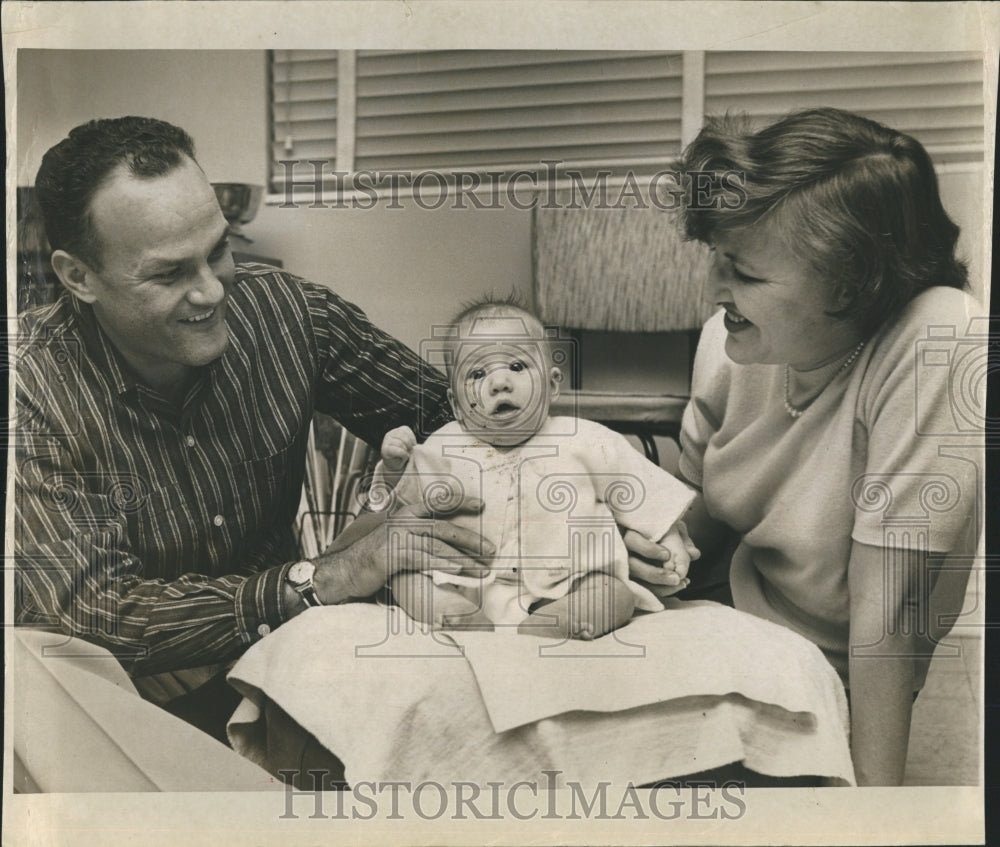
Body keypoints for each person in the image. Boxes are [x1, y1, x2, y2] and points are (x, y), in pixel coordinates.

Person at [14, 116, 494, 697]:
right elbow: (96, 617)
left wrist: (609, 527)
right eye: (169, 274)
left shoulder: (291, 316)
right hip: (122, 702)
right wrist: (325, 578)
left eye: (218, 252)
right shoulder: (26, 390)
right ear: (78, 277)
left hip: (286, 656)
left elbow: (472, 423)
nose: (213, 291)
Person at [666, 107, 984, 785]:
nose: (715, 290)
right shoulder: (729, 341)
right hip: (726, 622)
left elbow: (888, 614)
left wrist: (876, 810)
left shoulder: (939, 340)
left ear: (850, 281)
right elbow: (701, 528)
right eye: (720, 261)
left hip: (830, 668)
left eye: (746, 275)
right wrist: (648, 552)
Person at [376, 298, 699, 639]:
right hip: (463, 580)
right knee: (406, 574)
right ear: (456, 403)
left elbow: (643, 489)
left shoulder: (585, 438)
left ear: (552, 383)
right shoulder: (444, 445)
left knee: (611, 588)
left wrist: (668, 537)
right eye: (477, 373)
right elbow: (404, 508)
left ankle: (567, 617)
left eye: (517, 366)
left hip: (569, 578)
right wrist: (394, 469)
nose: (500, 382)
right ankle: (447, 610)